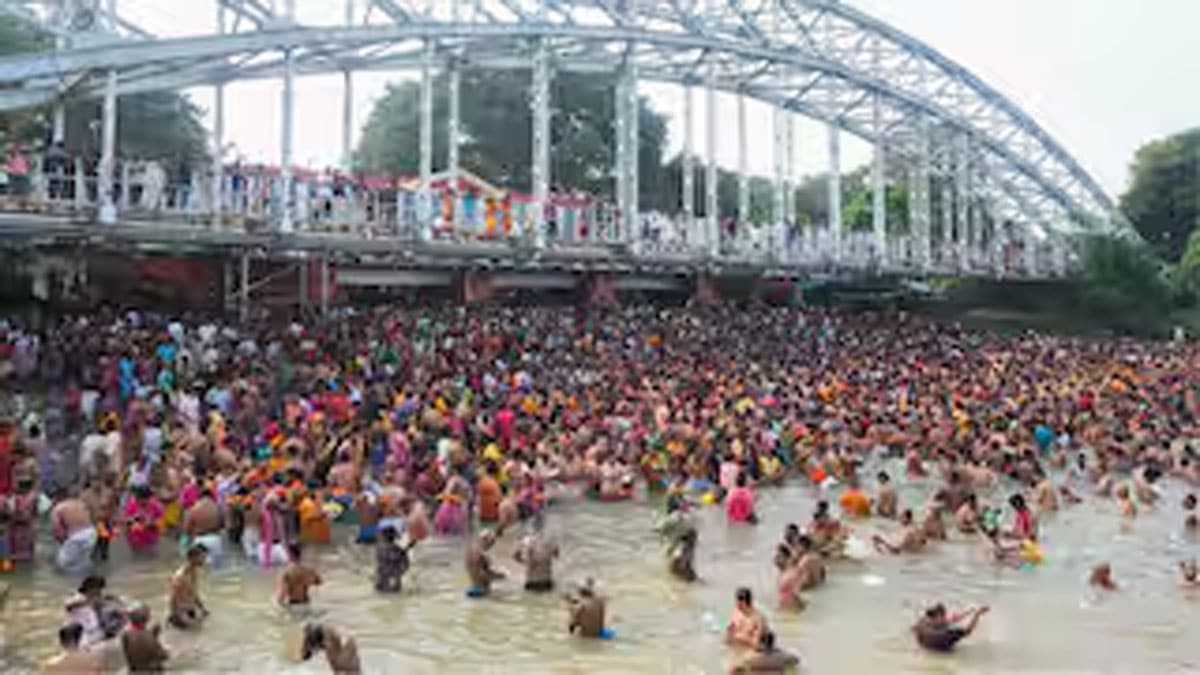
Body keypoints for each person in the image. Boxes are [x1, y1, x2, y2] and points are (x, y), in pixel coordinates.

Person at [912, 603, 989, 653]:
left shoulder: (922, 624)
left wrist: (973, 613)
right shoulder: (946, 633)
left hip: (934, 649)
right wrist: (977, 614)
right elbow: (967, 631)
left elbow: (967, 630)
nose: (931, 618)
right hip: (939, 651)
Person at [168, 543, 209, 629]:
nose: (204, 560)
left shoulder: (193, 571)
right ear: (192, 558)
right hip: (180, 613)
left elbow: (193, 592)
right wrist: (176, 617)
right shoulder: (180, 576)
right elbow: (172, 597)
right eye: (202, 557)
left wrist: (202, 608)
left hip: (189, 608)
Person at [514, 513, 558, 592]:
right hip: (547, 581)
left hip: (531, 581)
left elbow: (515, 557)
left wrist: (525, 562)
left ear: (532, 527)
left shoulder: (525, 540)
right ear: (544, 526)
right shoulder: (551, 541)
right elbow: (557, 556)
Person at [121, 603, 170, 673]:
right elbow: (163, 656)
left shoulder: (125, 635)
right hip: (151, 670)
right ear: (146, 619)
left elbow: (128, 657)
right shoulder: (149, 635)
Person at [729, 630, 800, 674]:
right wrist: (777, 651)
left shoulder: (750, 657)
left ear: (760, 642)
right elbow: (796, 660)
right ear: (772, 642)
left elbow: (735, 667)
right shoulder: (782, 657)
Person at [465, 529, 505, 597]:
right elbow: (486, 573)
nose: (491, 546)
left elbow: (474, 570)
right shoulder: (483, 554)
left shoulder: (470, 551)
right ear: (486, 540)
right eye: (492, 543)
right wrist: (501, 575)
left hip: (472, 588)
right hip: (482, 591)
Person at [374, 526, 411, 593]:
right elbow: (406, 563)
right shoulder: (397, 549)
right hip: (391, 576)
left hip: (385, 576)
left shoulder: (380, 548)